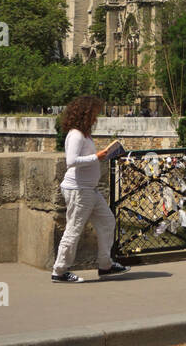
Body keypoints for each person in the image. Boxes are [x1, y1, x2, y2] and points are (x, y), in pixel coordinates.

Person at [51, 95, 128, 283]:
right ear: (85, 114)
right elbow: (71, 161)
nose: (96, 119)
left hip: (89, 190)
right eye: (94, 114)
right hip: (79, 190)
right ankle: (59, 271)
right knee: (74, 229)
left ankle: (105, 265)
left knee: (108, 221)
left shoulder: (84, 134)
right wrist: (98, 156)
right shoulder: (76, 135)